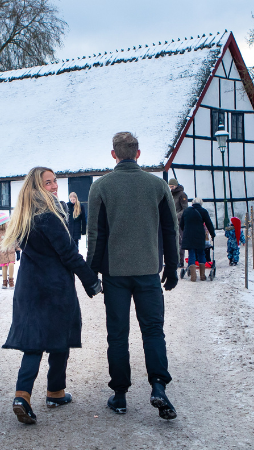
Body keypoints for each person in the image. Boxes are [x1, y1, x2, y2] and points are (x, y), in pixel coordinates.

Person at [86, 132, 180, 420]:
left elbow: (95, 235)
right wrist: (173, 267)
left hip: (115, 273)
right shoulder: (157, 185)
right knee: (153, 331)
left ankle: (120, 395)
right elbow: (169, 230)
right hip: (149, 270)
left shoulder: (100, 187)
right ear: (138, 153)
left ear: (113, 155)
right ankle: (158, 386)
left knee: (118, 335)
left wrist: (91, 273)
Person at [1, 167, 102, 425]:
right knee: (59, 339)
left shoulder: (25, 216)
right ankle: (55, 392)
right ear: (37, 187)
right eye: (48, 182)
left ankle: (22, 395)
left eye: (55, 180)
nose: (55, 185)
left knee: (33, 344)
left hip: (29, 288)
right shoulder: (48, 216)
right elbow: (68, 254)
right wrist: (91, 282)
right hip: (53, 288)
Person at [180, 198, 216, 282]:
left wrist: (186, 231)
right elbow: (209, 223)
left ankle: (193, 277)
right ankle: (202, 276)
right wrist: (212, 234)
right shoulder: (203, 211)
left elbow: (181, 224)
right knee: (201, 253)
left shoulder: (186, 211)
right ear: (201, 203)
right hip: (199, 235)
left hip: (189, 236)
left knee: (191, 254)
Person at [168, 179, 189, 269]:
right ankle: (173, 261)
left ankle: (180, 261)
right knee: (171, 241)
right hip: (171, 221)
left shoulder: (182, 195)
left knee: (179, 241)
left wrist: (176, 216)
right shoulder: (170, 195)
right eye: (170, 187)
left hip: (179, 222)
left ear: (176, 185)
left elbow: (185, 209)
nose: (171, 189)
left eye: (172, 187)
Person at [0, 222, 17, 289]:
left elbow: (15, 240)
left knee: (11, 264)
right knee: (4, 266)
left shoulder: (11, 231)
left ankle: (11, 281)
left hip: (11, 251)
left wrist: (18, 250)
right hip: (2, 252)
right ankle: (4, 282)